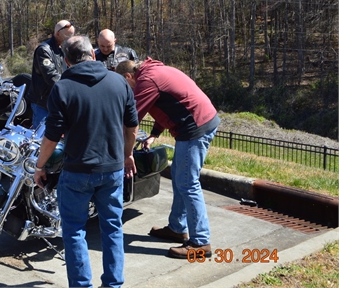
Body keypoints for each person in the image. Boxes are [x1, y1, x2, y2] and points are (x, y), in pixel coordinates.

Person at [34, 35, 139, 288]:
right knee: (113, 228)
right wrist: (126, 155)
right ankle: (113, 284)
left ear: (67, 62)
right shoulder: (119, 82)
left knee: (73, 231)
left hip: (77, 172)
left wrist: (39, 167)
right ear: (93, 55)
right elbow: (132, 127)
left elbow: (51, 136)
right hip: (112, 170)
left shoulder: (62, 88)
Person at [116, 58, 220, 259]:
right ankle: (177, 228)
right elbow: (169, 103)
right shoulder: (155, 72)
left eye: (124, 84)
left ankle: (201, 243)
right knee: (180, 178)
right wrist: (155, 132)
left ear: (128, 77)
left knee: (188, 183)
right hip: (200, 121)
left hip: (194, 128)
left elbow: (131, 119)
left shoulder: (147, 80)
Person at [26, 20, 75, 127]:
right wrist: (71, 87)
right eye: (68, 36)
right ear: (57, 34)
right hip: (43, 103)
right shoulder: (44, 50)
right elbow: (51, 77)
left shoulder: (65, 49)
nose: (71, 39)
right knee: (41, 139)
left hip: (59, 102)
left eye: (72, 36)